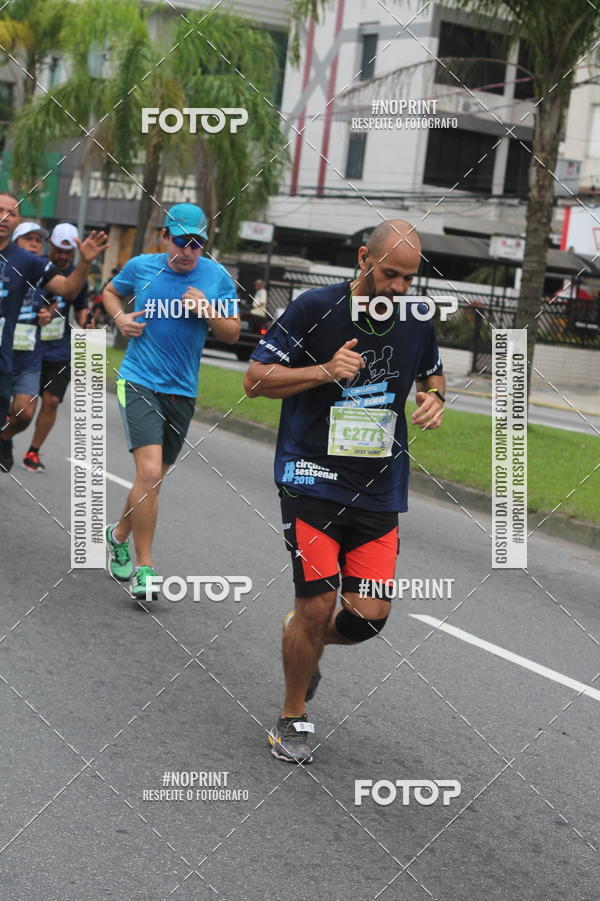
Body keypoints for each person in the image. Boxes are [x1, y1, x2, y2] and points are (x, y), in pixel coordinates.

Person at [244, 220, 446, 765]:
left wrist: (434, 400)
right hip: (310, 478)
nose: (401, 288)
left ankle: (301, 646)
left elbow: (432, 374)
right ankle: (292, 715)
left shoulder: (417, 316)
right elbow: (255, 379)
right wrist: (325, 370)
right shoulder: (314, 308)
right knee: (315, 606)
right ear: (364, 258)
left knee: (367, 618)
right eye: (391, 274)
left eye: (410, 277)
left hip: (379, 490)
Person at [103, 202, 240, 600]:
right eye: (181, 242)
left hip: (183, 390)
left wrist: (209, 310)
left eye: (197, 245)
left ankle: (118, 535)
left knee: (153, 479)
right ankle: (145, 569)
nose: (188, 252)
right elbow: (111, 293)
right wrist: (119, 318)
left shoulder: (215, 277)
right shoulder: (142, 267)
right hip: (139, 380)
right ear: (165, 237)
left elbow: (232, 333)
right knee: (148, 474)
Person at [0, 195, 108, 472]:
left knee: (25, 413)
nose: (4, 217)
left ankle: (8, 439)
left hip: (24, 353)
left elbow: (70, 291)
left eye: (11, 213)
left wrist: (84, 263)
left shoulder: (28, 262)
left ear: (17, 220)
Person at [25, 223, 95, 472]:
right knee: (25, 405)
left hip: (59, 350)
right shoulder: (36, 267)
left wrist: (88, 322)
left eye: (68, 252)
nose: (63, 256)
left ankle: (33, 451)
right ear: (50, 246)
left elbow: (81, 307)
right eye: (58, 251)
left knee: (52, 400)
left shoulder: (79, 276)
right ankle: (7, 436)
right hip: (28, 344)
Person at [1, 221, 56, 468]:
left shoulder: (45, 277)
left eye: (38, 240)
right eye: (28, 239)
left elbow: (54, 306)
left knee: (24, 414)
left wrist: (48, 315)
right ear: (16, 243)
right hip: (4, 352)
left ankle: (4, 437)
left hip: (27, 358)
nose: (34, 245)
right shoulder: (6, 270)